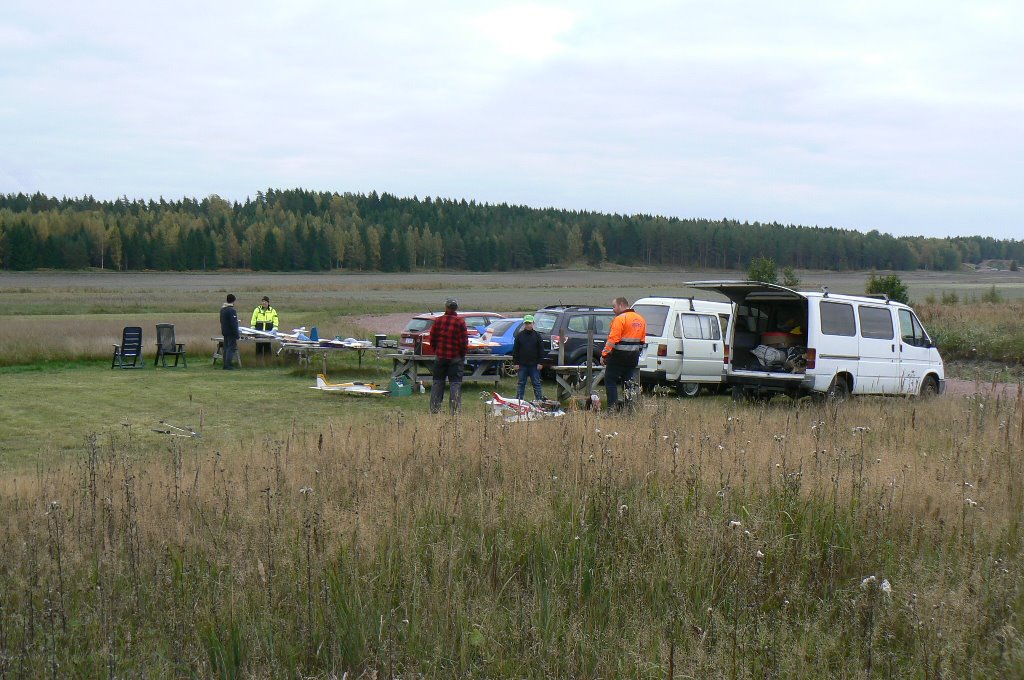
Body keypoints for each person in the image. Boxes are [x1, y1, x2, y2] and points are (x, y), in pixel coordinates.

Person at [601, 297, 647, 411]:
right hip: (633, 357)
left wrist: (604, 355)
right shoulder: (641, 319)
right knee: (628, 383)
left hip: (618, 356)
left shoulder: (620, 319)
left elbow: (612, 340)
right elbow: (642, 341)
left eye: (614, 306)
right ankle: (629, 410)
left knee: (610, 380)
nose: (613, 309)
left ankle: (612, 409)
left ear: (621, 305)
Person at [428, 297, 469, 414]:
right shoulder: (460, 322)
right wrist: (462, 355)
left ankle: (435, 410)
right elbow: (463, 342)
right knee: (455, 384)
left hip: (440, 356)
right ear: (456, 308)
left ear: (446, 307)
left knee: (437, 383)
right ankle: (455, 411)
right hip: (455, 357)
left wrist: (437, 350)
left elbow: (432, 338)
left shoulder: (438, 320)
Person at [512, 315, 545, 402]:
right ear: (524, 324)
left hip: (534, 365)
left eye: (529, 323)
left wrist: (540, 363)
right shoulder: (519, 336)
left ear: (533, 323)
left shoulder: (537, 336)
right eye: (526, 323)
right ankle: (518, 400)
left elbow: (541, 350)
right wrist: (516, 363)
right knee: (521, 383)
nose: (528, 325)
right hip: (522, 365)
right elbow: (515, 350)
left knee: (536, 383)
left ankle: (539, 400)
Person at [251, 296, 280, 361]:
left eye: (265, 302)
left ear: (268, 303)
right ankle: (258, 362)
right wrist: (253, 329)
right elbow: (253, 319)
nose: (264, 303)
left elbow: (275, 320)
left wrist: (275, 328)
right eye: (263, 301)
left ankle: (268, 362)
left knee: (267, 347)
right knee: (259, 347)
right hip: (258, 332)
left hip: (268, 333)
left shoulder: (272, 311)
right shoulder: (257, 310)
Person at [220, 293, 240, 370]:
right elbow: (234, 323)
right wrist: (237, 334)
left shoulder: (222, 309)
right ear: (233, 301)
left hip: (225, 331)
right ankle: (228, 365)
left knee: (226, 348)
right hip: (231, 332)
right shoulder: (231, 310)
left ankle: (225, 364)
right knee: (230, 349)